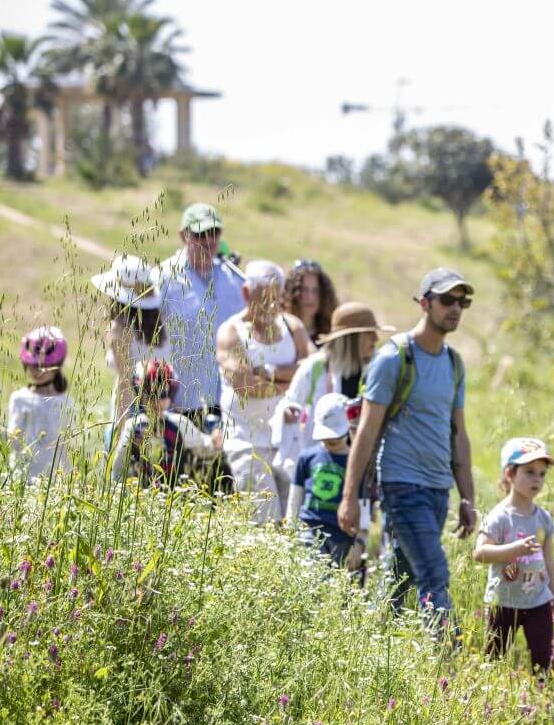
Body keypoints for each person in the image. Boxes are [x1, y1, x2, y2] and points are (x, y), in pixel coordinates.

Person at [340, 267, 475, 632]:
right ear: (424, 302)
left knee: (400, 579)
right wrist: (349, 496)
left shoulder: (453, 363)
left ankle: (374, 637)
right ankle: (449, 664)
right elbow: (366, 432)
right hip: (401, 485)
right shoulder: (394, 357)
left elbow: (458, 434)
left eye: (462, 301)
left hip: (437, 488)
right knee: (435, 573)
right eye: (447, 299)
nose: (455, 308)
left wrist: (467, 497)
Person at [216, 260, 312, 523]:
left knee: (295, 522)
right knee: (263, 522)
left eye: (277, 299)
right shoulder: (231, 332)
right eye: (264, 299)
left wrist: (265, 371)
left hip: (289, 443)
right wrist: (290, 379)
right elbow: (245, 387)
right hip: (247, 443)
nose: (271, 307)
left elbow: (311, 372)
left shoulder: (293, 328)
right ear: (247, 293)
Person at [274, 301, 394, 482]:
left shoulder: (374, 370)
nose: (375, 339)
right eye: (369, 333)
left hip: (361, 469)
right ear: (352, 339)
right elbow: (289, 403)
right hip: (320, 466)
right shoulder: (315, 367)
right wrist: (288, 412)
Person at [474, 437, 554, 674]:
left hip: (538, 600)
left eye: (542, 474)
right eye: (529, 472)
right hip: (503, 602)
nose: (537, 479)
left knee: (543, 659)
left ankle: (543, 702)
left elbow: (549, 562)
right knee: (494, 657)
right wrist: (514, 550)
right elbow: (480, 552)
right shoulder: (500, 517)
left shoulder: (543, 518)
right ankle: (489, 700)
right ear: (510, 474)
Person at [155, 203, 246, 427]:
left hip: (227, 398)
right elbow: (150, 336)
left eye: (214, 232)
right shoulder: (164, 278)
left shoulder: (234, 279)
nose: (208, 240)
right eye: (200, 234)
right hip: (182, 399)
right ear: (183, 235)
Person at [288, 392, 366, 582]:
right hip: (310, 530)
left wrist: (360, 543)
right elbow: (295, 497)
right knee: (313, 582)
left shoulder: (356, 463)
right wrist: (290, 530)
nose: (331, 440)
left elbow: (364, 505)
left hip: (343, 536)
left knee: (339, 587)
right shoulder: (307, 458)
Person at [110, 360, 224, 485]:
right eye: (150, 394)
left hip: (173, 490)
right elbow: (119, 466)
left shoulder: (179, 423)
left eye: (162, 394)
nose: (157, 401)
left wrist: (214, 439)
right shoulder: (133, 426)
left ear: (171, 393)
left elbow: (203, 446)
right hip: (140, 491)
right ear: (140, 394)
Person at [91, 254, 168, 431]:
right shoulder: (160, 324)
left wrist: (121, 428)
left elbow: (125, 383)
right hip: (164, 405)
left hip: (132, 411)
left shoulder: (119, 329)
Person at [6, 326, 74, 478]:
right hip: (23, 479)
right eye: (33, 365)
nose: (38, 371)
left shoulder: (66, 402)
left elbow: (68, 449)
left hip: (55, 482)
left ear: (57, 366)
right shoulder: (20, 399)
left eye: (44, 366)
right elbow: (13, 442)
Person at [283, 260, 340, 347]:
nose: (310, 297)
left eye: (315, 291)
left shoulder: (332, 334)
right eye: (304, 290)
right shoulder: (281, 332)